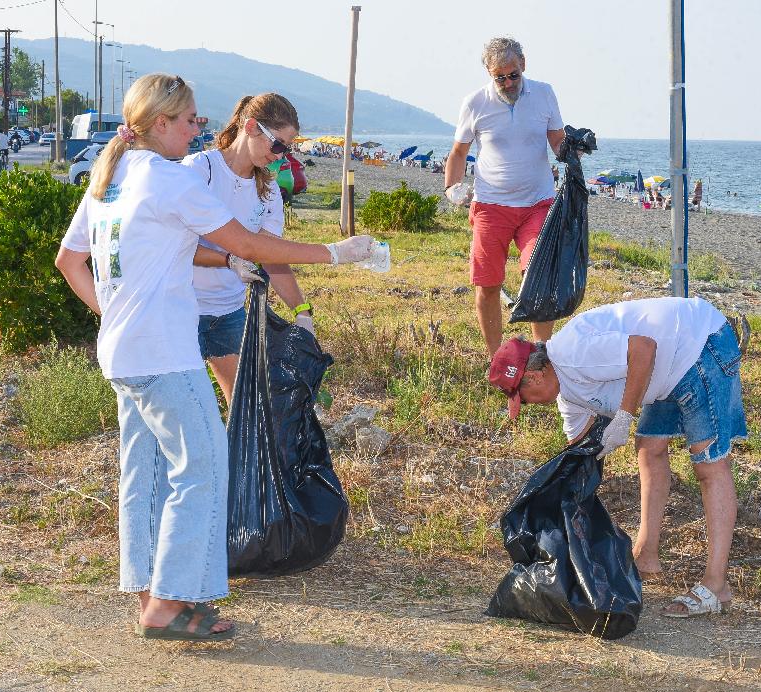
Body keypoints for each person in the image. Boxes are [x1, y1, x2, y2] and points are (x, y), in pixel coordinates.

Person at [55, 73, 376, 641]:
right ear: (161, 124)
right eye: (190, 120)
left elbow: (69, 261)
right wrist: (336, 252)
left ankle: (151, 591)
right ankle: (170, 603)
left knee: (146, 472)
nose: (197, 128)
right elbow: (247, 246)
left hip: (125, 353)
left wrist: (114, 313)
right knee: (202, 468)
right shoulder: (165, 177)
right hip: (165, 352)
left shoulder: (111, 175)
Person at [486, 297, 748, 618]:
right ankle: (646, 555)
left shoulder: (573, 353)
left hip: (699, 344)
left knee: (709, 466)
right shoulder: (567, 395)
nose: (526, 405)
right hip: (666, 366)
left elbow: (643, 349)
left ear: (535, 377)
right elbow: (578, 454)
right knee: (649, 449)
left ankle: (716, 585)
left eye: (521, 399)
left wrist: (624, 416)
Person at [183, 92, 313, 405]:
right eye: (278, 145)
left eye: (288, 149)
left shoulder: (268, 191)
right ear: (251, 127)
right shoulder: (198, 171)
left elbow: (271, 258)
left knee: (246, 407)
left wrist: (301, 311)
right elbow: (176, 249)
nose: (281, 156)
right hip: (182, 309)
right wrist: (229, 260)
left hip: (228, 312)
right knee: (191, 409)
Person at [443, 37, 566, 358]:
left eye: (513, 75)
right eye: (500, 77)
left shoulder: (544, 94)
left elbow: (557, 141)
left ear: (523, 65)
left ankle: (541, 352)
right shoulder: (474, 103)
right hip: (490, 206)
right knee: (487, 284)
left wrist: (574, 150)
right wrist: (451, 187)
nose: (508, 83)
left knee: (539, 274)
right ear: (488, 72)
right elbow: (458, 152)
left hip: (537, 203)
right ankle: (495, 356)